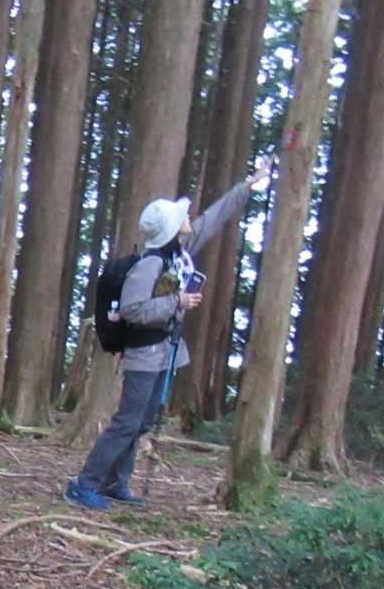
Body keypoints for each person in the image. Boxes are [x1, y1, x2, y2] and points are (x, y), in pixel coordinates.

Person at [64, 158, 272, 510]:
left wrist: (248, 185)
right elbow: (133, 309)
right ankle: (84, 484)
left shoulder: (179, 255)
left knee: (143, 420)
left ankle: (115, 482)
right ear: (173, 229)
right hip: (144, 353)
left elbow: (213, 218)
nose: (190, 218)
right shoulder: (151, 263)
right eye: (182, 217)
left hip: (165, 351)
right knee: (127, 421)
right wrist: (178, 301)